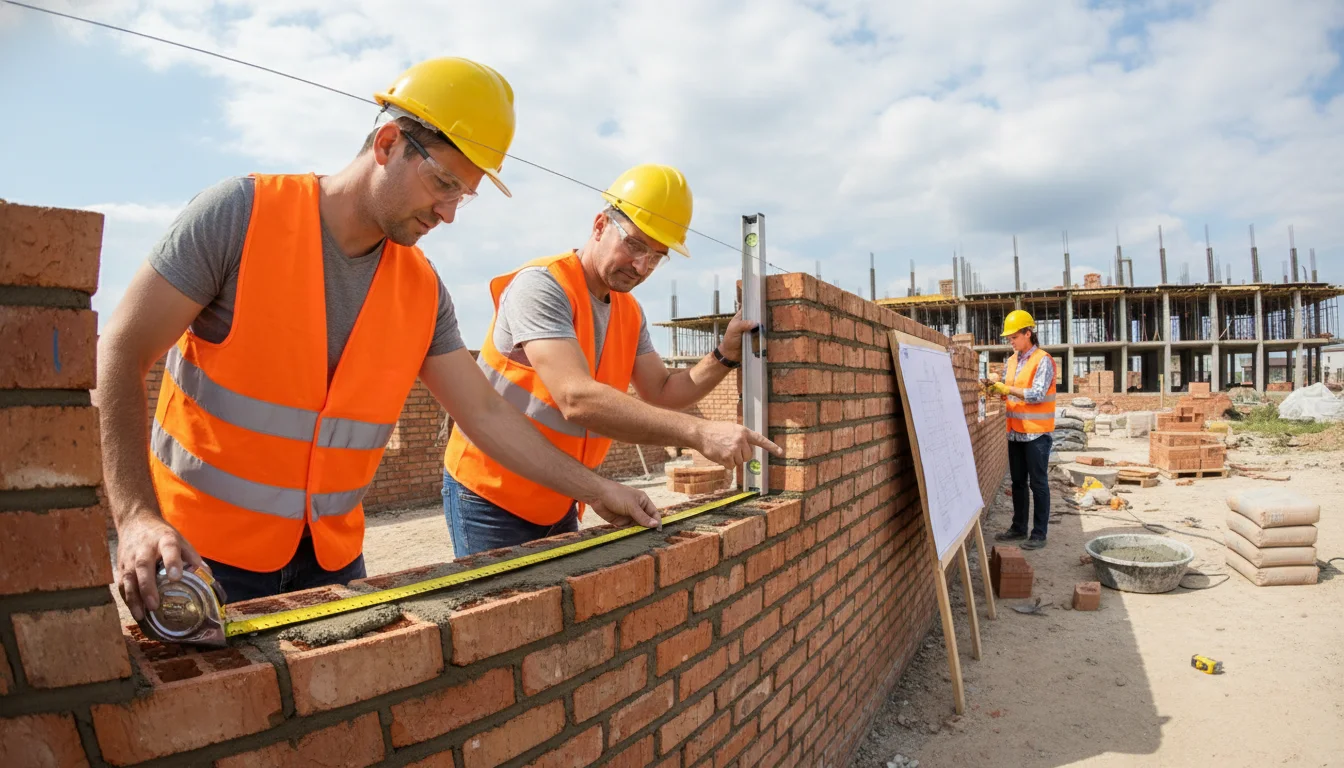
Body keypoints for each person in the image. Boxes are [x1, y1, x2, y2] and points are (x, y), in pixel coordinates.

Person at [97, 57, 661, 620]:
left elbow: (486, 415)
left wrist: (596, 489)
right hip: (202, 558)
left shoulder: (421, 289)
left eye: (463, 195)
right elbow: (121, 351)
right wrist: (136, 516)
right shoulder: (240, 216)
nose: (448, 212)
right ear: (388, 142)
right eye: (443, 183)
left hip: (333, 562)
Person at [441, 164, 783, 555]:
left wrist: (725, 354)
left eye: (656, 257)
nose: (641, 266)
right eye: (635, 245)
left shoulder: (628, 312)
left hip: (565, 489)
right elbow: (576, 398)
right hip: (491, 493)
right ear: (600, 225)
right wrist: (700, 433)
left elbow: (664, 390)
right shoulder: (543, 286)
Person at [988, 309, 1057, 550]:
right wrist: (996, 390)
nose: (1011, 341)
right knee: (1017, 482)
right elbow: (1010, 391)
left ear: (1028, 333)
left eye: (1014, 336)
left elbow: (1037, 395)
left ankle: (1039, 533)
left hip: (1036, 433)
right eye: (1009, 338)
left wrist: (1007, 390)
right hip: (1015, 431)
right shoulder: (1012, 361)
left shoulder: (1043, 360)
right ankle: (1018, 528)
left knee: (1038, 484)